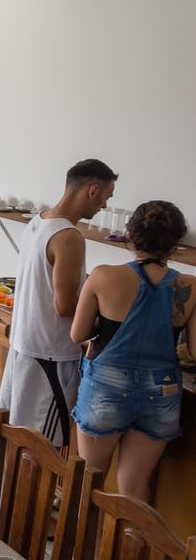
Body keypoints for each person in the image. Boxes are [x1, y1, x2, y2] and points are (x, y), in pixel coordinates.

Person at [70, 201, 196, 501]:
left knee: (89, 482)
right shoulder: (189, 285)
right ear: (175, 242)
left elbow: (78, 333)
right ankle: (126, 549)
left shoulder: (103, 276)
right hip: (162, 391)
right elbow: (194, 349)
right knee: (135, 491)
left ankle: (80, 549)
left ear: (131, 236)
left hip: (106, 389)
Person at [0, 159, 117, 447]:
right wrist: (106, 315)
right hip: (51, 356)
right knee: (44, 447)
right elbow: (65, 306)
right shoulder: (69, 237)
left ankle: (14, 493)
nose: (103, 205)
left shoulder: (38, 222)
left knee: (19, 438)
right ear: (92, 190)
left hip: (24, 347)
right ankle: (36, 495)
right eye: (105, 197)